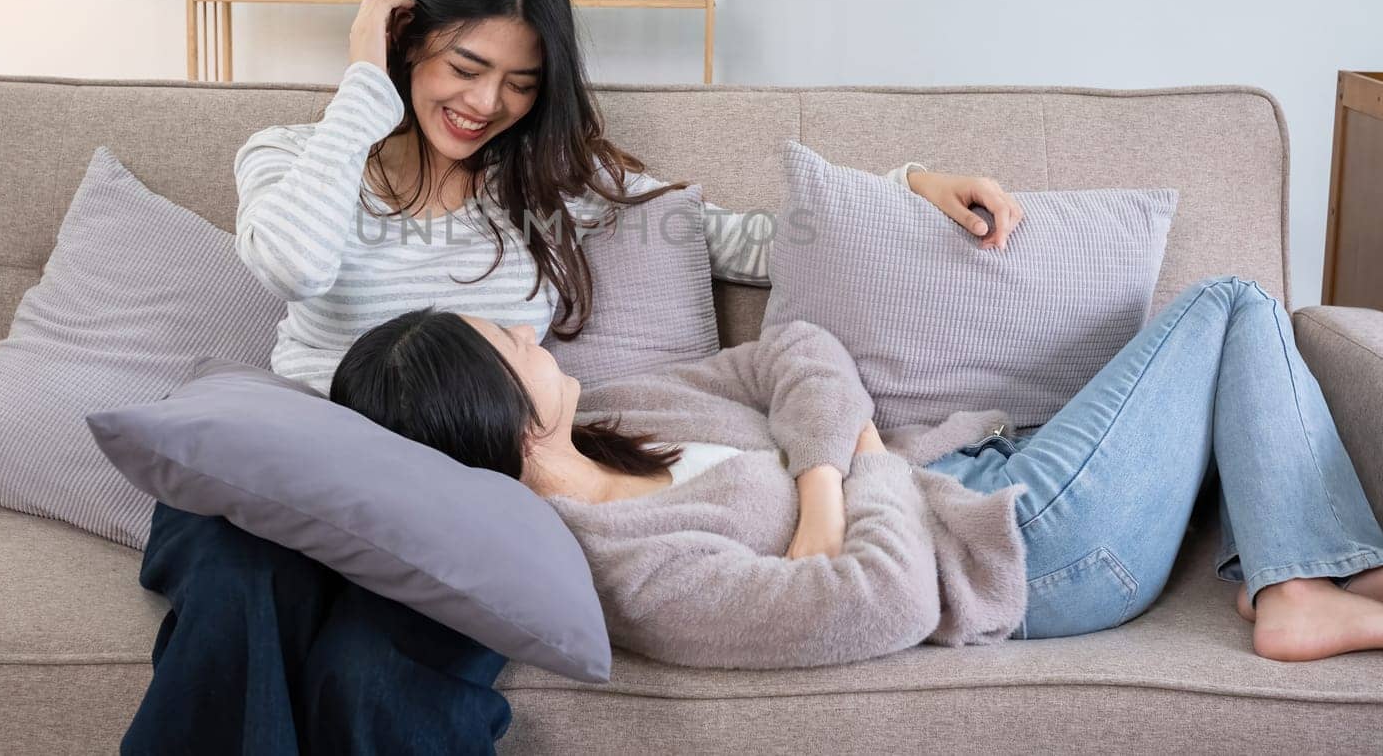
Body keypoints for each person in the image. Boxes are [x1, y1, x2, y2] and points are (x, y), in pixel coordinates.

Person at [123, 0, 1018, 752]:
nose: (485, 103)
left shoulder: (548, 183)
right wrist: (362, 84)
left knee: (377, 672)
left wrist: (905, 189)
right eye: (464, 65)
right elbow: (292, 263)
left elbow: (738, 238)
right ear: (407, 44)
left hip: (457, 488)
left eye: (520, 82)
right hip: (293, 460)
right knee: (242, 589)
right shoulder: (293, 154)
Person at [328, 282, 1383, 668]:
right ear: (486, 406)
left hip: (964, 474)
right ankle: (1294, 589)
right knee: (1234, 302)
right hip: (1029, 550)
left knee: (1239, 328)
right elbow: (878, 598)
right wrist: (861, 454)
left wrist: (827, 477)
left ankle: (1287, 564)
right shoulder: (625, 564)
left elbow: (791, 347)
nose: (528, 326)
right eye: (504, 340)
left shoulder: (611, 413)